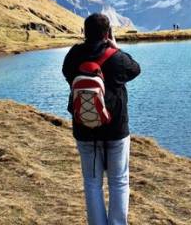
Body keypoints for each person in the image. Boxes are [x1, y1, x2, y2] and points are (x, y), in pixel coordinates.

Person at [62, 13, 141, 225]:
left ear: (84, 32)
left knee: (92, 182)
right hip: (115, 130)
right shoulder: (115, 56)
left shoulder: (73, 55)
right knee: (118, 182)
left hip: (85, 128)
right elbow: (135, 69)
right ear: (107, 34)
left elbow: (67, 74)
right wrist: (115, 47)